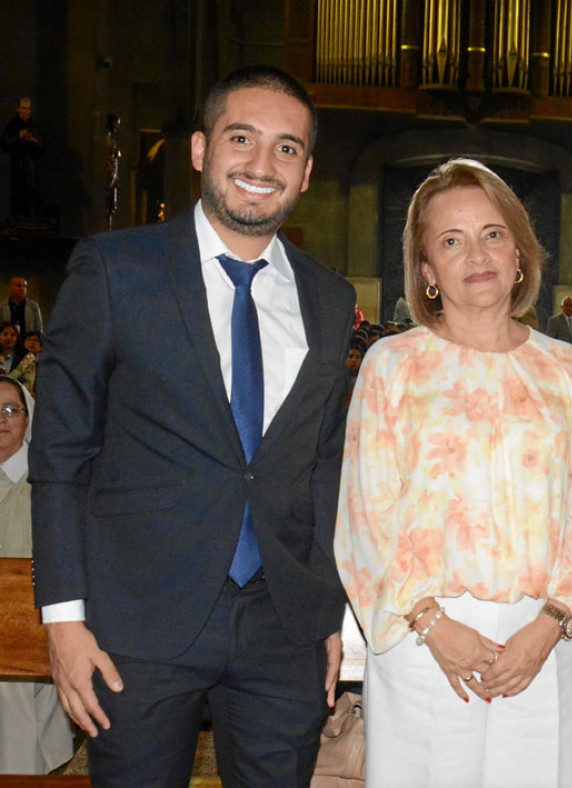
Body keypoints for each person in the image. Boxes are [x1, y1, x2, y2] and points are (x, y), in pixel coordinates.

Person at [29, 65, 355, 786]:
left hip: (282, 625)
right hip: (137, 623)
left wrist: (329, 612)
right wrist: (63, 619)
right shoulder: (116, 271)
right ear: (202, 149)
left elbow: (325, 465)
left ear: (305, 173)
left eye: (286, 149)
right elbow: (60, 456)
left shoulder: (330, 300)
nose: (262, 165)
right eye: (243, 138)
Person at [334, 158, 572, 787]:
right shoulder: (392, 365)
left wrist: (552, 624)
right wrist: (432, 624)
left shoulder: (564, 369)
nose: (476, 254)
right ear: (427, 271)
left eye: (493, 233)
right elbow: (365, 516)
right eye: (451, 241)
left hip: (542, 639)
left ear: (519, 251)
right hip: (424, 635)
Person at [0, 376, 74, 774]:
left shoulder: (46, 481)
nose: (1, 419)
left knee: (17, 715)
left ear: (28, 419)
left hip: (30, 625)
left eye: (10, 410)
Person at [1, 98, 44, 219]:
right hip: (17, 166)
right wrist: (18, 136)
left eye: (28, 109)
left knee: (32, 193)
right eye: (23, 108)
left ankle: (32, 217)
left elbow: (42, 145)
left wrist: (33, 140)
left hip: (32, 167)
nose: (26, 111)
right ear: (18, 109)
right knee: (17, 193)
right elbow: (4, 143)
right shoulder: (13, 125)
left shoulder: (34, 126)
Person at [105, 113, 121, 230]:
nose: (117, 126)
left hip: (112, 177)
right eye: (116, 123)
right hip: (107, 176)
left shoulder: (111, 140)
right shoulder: (105, 140)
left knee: (111, 207)